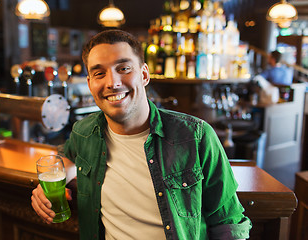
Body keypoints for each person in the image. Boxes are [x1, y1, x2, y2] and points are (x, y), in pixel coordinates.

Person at [31, 29, 252, 240]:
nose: (113, 83)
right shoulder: (84, 131)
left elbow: (229, 222)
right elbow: (66, 158)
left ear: (144, 74)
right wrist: (52, 184)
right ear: (90, 84)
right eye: (99, 73)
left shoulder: (196, 136)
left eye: (124, 69)